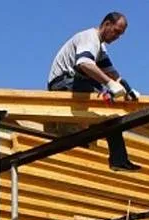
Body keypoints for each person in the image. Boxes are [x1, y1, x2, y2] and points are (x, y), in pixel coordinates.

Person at [46, 11, 142, 172]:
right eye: (116, 32)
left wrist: (128, 89)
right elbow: (84, 63)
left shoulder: (100, 48)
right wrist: (109, 84)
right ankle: (93, 139)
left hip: (76, 82)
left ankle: (118, 159)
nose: (117, 37)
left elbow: (113, 73)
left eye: (120, 34)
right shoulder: (89, 38)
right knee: (105, 104)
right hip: (63, 83)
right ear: (106, 25)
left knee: (110, 113)